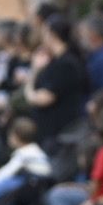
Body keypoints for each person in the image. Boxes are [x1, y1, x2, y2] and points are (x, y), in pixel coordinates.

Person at [26, 14, 88, 152]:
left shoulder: (66, 64)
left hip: (58, 135)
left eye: (44, 33)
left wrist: (32, 76)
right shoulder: (56, 61)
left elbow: (42, 98)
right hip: (50, 133)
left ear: (52, 35)